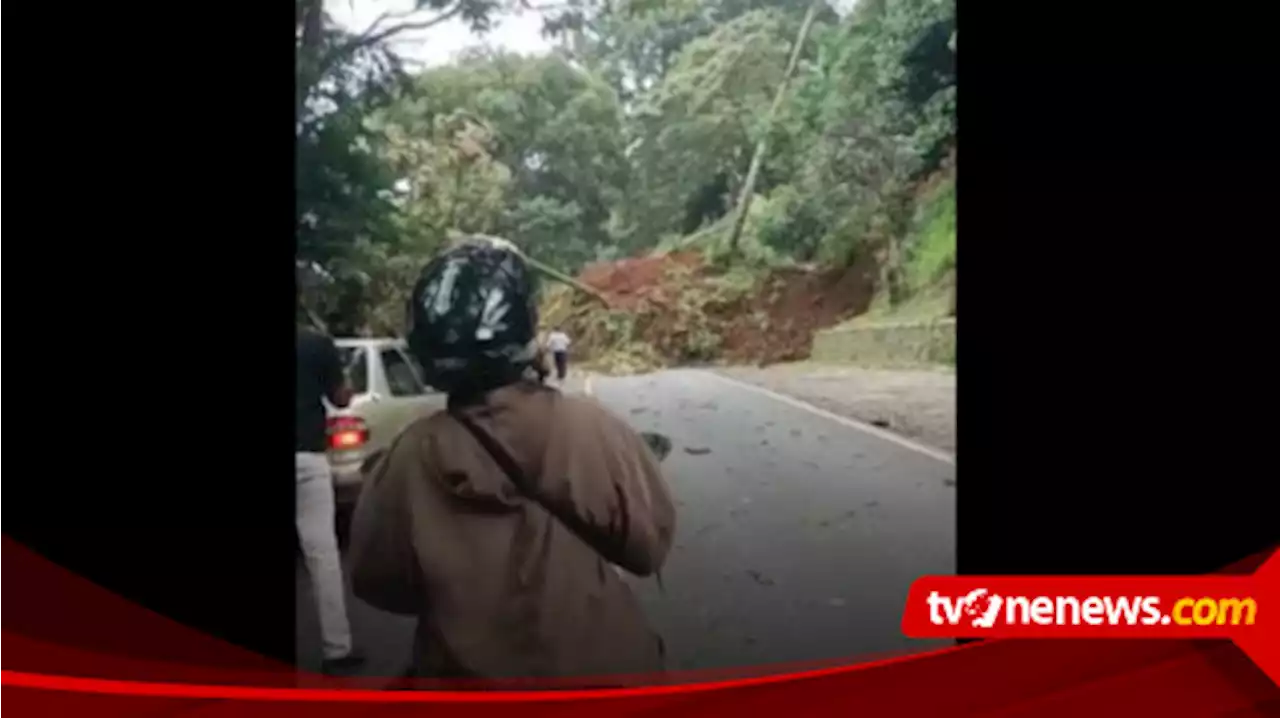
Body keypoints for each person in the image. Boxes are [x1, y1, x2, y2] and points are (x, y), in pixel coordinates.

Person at [347, 238, 676, 686]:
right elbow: (648, 549)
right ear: (526, 327)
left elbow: (376, 581)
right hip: (601, 680)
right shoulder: (589, 428)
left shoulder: (410, 455)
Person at [296, 318, 364, 675]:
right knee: (322, 554)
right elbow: (341, 399)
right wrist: (344, 380)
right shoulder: (315, 343)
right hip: (306, 459)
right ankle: (336, 649)